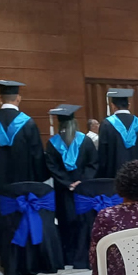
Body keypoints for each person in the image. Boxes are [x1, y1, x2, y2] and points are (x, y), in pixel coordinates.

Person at [0, 80, 48, 258]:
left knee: (1, 213)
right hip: (23, 182)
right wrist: (39, 177)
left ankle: (3, 254)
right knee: (22, 213)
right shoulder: (28, 123)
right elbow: (37, 155)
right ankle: (24, 253)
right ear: (19, 98)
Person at [44, 104, 98, 266]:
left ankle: (70, 256)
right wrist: (80, 181)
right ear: (75, 123)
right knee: (75, 221)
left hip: (68, 189)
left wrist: (70, 183)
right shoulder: (84, 141)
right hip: (75, 190)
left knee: (69, 221)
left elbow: (53, 168)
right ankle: (81, 254)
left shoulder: (53, 143)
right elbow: (92, 164)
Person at [97, 88, 138, 178]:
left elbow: (103, 154)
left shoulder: (106, 124)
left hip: (114, 176)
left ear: (113, 106)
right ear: (129, 105)